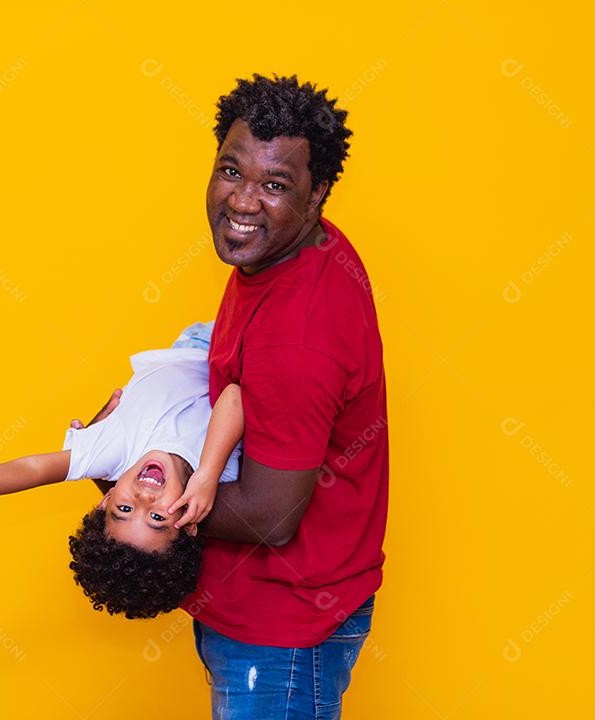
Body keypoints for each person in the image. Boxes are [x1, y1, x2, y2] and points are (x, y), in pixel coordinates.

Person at [76, 73, 388, 718]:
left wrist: (120, 479)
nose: (243, 202)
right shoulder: (292, 251)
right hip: (259, 605)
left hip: (281, 623)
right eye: (230, 171)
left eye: (275, 185)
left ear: (318, 194)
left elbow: (272, 515)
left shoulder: (297, 341)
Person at [0, 322, 246, 620]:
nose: (142, 497)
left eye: (124, 510)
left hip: (197, 343)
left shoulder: (112, 454)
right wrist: (207, 475)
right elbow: (234, 395)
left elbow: (33, 468)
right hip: (237, 361)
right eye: (156, 517)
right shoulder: (218, 475)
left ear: (105, 499)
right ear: (189, 521)